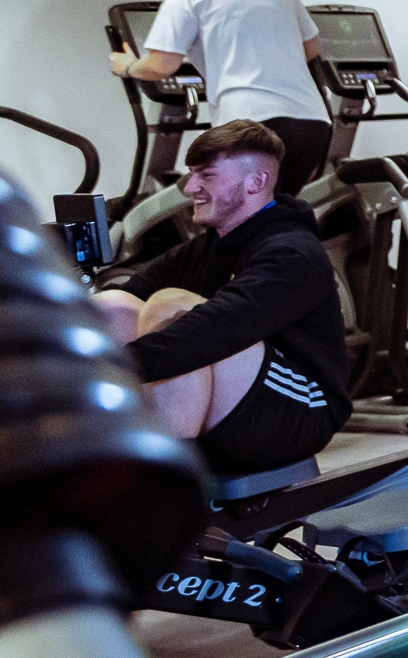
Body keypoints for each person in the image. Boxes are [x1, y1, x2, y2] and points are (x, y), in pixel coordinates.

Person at [93, 121, 350, 475]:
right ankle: (95, 457)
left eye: (207, 176)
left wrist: (101, 368)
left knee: (173, 310)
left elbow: (212, 332)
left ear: (256, 182)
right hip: (240, 398)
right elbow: (128, 292)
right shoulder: (205, 248)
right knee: (112, 307)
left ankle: (165, 484)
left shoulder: (292, 253)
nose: (190, 188)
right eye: (192, 175)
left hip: (300, 410)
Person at [111, 0, 332, 197]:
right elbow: (312, 48)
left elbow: (161, 65)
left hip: (250, 125)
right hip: (311, 124)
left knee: (239, 222)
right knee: (277, 215)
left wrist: (128, 66)